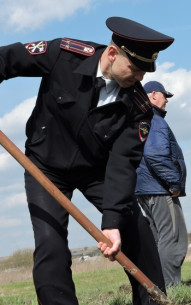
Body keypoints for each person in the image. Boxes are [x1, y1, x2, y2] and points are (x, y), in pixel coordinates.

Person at [0, 17, 174, 304]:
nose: (140, 78)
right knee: (50, 243)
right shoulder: (62, 55)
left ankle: (152, 300)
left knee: (136, 229)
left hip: (97, 170)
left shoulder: (138, 107)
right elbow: (8, 59)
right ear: (112, 53)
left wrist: (112, 222)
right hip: (44, 165)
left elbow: (122, 165)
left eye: (145, 71)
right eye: (134, 68)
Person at [135, 81, 188, 287]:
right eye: (165, 96)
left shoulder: (140, 119)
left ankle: (158, 287)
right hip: (159, 188)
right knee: (173, 239)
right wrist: (173, 182)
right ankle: (170, 288)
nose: (166, 101)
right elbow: (155, 154)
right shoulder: (155, 120)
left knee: (159, 239)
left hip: (145, 188)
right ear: (153, 95)